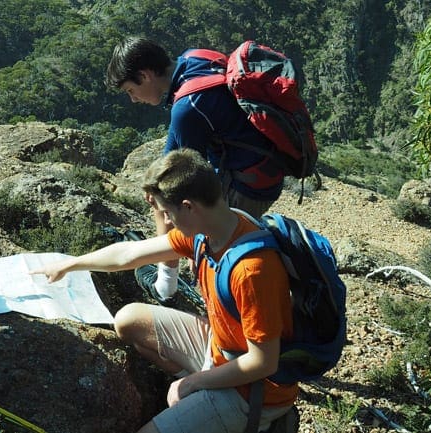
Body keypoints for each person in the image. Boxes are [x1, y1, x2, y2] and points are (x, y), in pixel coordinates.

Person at [31, 149, 295, 433]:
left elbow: (263, 362)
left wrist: (193, 383)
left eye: (168, 213)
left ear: (189, 206)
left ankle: (218, 406)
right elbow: (129, 254)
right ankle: (197, 399)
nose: (167, 222)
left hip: (253, 390)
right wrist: (71, 265)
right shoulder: (208, 232)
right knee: (128, 320)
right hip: (221, 348)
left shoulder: (252, 270)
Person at [105, 36, 287, 301]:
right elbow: (174, 148)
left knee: (211, 255)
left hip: (249, 186)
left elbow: (188, 185)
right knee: (161, 192)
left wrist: (197, 240)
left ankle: (176, 287)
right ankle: (170, 279)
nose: (133, 100)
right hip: (264, 167)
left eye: (130, 91)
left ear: (144, 76)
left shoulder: (188, 108)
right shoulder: (195, 57)